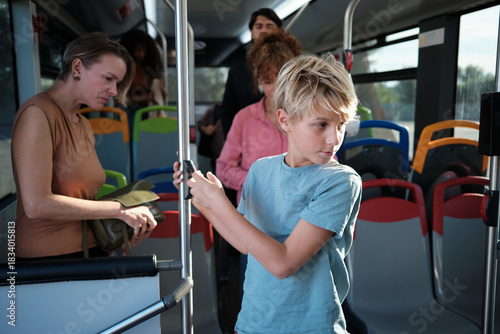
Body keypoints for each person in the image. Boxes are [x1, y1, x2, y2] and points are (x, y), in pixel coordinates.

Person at [174, 54, 362, 333]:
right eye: (321, 124)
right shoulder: (261, 170)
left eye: (341, 125)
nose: (334, 138)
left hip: (312, 326)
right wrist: (202, 200)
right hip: (254, 322)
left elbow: (283, 263)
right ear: (285, 120)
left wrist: (219, 201)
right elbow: (247, 244)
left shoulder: (340, 182)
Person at [11, 32, 157, 261]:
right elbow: (36, 204)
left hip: (90, 249)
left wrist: (126, 224)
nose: (113, 92)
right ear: (77, 68)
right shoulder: (37, 115)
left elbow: (84, 202)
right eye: (108, 79)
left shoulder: (83, 124)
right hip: (49, 260)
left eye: (117, 83)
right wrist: (120, 210)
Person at [217, 29, 301, 204]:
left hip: (298, 211)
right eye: (268, 82)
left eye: (283, 79)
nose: (277, 89)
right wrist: (255, 182)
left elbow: (328, 162)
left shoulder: (308, 116)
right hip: (254, 210)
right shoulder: (244, 119)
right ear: (259, 82)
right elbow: (224, 168)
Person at [220, 7, 283, 137]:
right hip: (248, 140)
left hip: (284, 139)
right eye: (259, 26)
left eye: (269, 26)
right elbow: (228, 112)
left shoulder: (291, 67)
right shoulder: (236, 72)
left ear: (279, 31)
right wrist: (235, 141)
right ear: (252, 32)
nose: (264, 30)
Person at [120, 29, 167, 129]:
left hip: (149, 112)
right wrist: (144, 98)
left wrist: (159, 89)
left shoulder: (147, 69)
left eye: (144, 50)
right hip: (130, 113)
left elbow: (162, 96)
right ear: (130, 50)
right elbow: (119, 100)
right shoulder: (125, 70)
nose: (141, 54)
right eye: (137, 50)